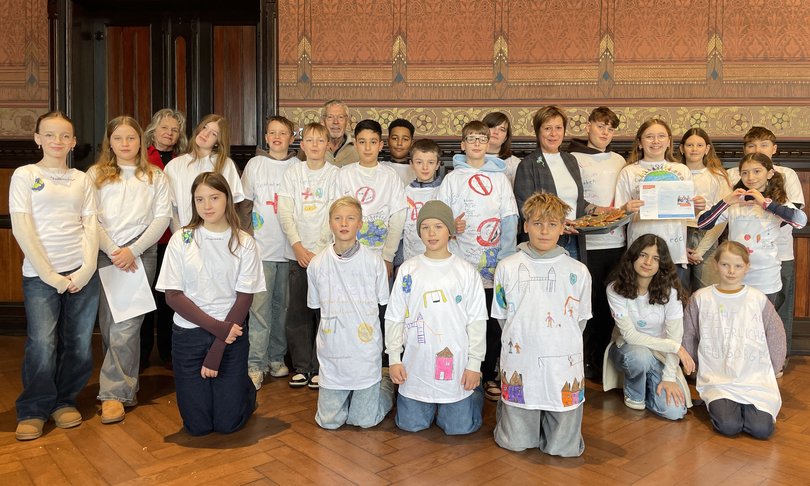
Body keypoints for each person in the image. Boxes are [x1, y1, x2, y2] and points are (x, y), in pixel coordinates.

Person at [10, 111, 99, 440]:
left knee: (78, 344)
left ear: (73, 142)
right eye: (50, 135)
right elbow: (22, 228)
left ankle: (64, 401)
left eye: (65, 136)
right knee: (43, 344)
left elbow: (90, 225)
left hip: (81, 274)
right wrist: (51, 275)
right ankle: (34, 408)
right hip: (40, 277)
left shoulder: (82, 179)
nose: (57, 141)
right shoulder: (25, 175)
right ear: (37, 138)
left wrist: (86, 269)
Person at [156, 172, 264, 436]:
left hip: (231, 336)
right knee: (198, 427)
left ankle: (244, 391)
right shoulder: (183, 239)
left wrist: (217, 349)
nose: (207, 205)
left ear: (227, 199)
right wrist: (218, 329)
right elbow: (173, 296)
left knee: (228, 425)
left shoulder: (244, 242)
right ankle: (231, 388)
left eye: (214, 197)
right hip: (189, 336)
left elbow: (245, 296)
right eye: (200, 199)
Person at [491, 193, 592, 456]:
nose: (544, 231)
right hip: (521, 358)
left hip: (563, 361)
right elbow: (503, 315)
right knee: (515, 443)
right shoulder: (508, 267)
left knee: (563, 448)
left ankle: (556, 430)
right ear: (525, 226)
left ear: (563, 227)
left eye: (552, 224)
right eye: (537, 223)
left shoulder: (578, 270)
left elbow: (580, 318)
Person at [88, 116, 171, 424]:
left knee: (128, 324)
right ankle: (126, 385)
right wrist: (112, 249)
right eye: (119, 138)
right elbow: (89, 218)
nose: (125, 144)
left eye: (131, 138)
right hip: (104, 252)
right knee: (110, 325)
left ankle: (114, 394)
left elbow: (162, 217)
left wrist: (132, 250)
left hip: (140, 254)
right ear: (109, 142)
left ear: (141, 141)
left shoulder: (155, 176)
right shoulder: (95, 175)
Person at [385, 200, 487, 435]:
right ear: (419, 231)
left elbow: (477, 320)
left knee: (460, 428)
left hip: (456, 366)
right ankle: (424, 404)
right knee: (410, 425)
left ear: (450, 230)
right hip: (416, 365)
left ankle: (474, 392)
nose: (431, 233)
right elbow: (394, 316)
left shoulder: (465, 271)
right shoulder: (409, 270)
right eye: (425, 227)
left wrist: (474, 365)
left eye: (439, 226)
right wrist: (394, 358)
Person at [438, 120, 518, 402]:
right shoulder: (452, 179)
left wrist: (505, 259)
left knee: (490, 322)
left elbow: (510, 218)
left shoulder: (499, 178)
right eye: (470, 139)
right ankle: (463, 367)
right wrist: (450, 229)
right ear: (462, 145)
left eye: (481, 139)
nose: (475, 144)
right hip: (459, 261)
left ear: (489, 143)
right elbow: (439, 217)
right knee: (461, 319)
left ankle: (489, 372)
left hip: (491, 264)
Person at [682, 241, 786, 439]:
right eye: (725, 265)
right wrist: (694, 364)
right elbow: (689, 333)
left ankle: (747, 408)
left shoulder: (757, 299)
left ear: (747, 267)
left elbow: (776, 334)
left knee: (761, 430)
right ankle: (724, 405)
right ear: (715, 265)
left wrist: (771, 369)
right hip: (719, 377)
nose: (731, 271)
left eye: (738, 266)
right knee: (729, 426)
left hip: (754, 378)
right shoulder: (701, 298)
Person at [307, 196, 394, 429]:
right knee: (329, 422)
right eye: (338, 218)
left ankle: (383, 384)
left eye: (350, 218)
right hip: (333, 353)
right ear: (330, 223)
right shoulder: (317, 264)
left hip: (364, 352)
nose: (344, 223)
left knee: (363, 420)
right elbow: (316, 308)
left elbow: (382, 304)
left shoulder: (374, 263)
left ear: (360, 224)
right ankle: (349, 397)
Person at [727, 127, 805, 364]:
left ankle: (777, 359)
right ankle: (743, 360)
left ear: (774, 149)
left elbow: (796, 212)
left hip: (778, 252)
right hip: (739, 257)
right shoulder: (733, 174)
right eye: (751, 146)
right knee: (740, 312)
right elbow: (725, 210)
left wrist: (764, 225)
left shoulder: (786, 173)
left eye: (763, 145)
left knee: (777, 308)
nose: (757, 150)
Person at [603, 234, 695, 420]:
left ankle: (651, 386)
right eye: (643, 255)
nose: (648, 262)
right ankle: (634, 392)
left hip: (660, 355)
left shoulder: (671, 292)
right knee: (640, 356)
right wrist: (676, 348)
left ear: (662, 263)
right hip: (628, 349)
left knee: (675, 412)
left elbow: (674, 336)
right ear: (633, 256)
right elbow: (630, 336)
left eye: (656, 258)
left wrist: (669, 378)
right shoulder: (615, 289)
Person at [697, 153, 806, 304]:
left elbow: (800, 222)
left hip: (766, 278)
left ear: (769, 174)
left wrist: (766, 204)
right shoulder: (735, 203)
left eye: (757, 171)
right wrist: (726, 201)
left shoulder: (777, 203)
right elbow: (702, 224)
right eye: (745, 173)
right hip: (734, 276)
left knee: (762, 324)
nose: (750, 177)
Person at [567, 106, 627, 380]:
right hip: (583, 243)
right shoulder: (571, 157)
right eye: (600, 126)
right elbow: (570, 197)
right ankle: (579, 360)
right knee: (583, 305)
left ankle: (601, 361)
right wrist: (594, 210)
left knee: (607, 306)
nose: (605, 132)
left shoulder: (619, 161)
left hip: (615, 241)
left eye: (610, 128)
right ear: (588, 125)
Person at [278, 122, 340, 389]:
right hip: (299, 255)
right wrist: (298, 246)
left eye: (320, 141)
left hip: (327, 256)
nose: (315, 146)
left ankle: (321, 366)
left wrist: (324, 252)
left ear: (329, 145)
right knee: (298, 314)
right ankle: (302, 367)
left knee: (325, 314)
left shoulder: (336, 175)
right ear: (302, 146)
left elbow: (338, 214)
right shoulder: (293, 173)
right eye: (310, 141)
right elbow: (285, 212)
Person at [241, 115, 298, 390]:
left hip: (289, 250)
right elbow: (243, 206)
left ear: (291, 138)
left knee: (283, 308)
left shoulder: (298, 167)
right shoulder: (255, 165)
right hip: (260, 249)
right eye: (272, 133)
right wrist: (246, 241)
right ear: (265, 138)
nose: (277, 137)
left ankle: (276, 358)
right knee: (259, 309)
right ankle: (256, 363)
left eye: (282, 133)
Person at [513, 105, 613, 261]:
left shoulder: (570, 160)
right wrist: (557, 223)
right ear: (538, 131)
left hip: (575, 238)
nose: (553, 134)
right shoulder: (528, 164)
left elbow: (576, 201)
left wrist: (599, 209)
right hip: (545, 241)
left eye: (558, 128)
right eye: (547, 128)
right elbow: (525, 208)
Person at [614, 119, 705, 287]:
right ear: (640, 143)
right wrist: (626, 209)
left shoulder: (682, 170)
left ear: (669, 142)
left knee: (676, 306)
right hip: (640, 254)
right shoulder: (629, 172)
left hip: (674, 251)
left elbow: (689, 211)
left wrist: (697, 208)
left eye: (661, 136)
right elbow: (618, 217)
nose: (656, 141)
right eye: (649, 136)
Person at [141, 108, 188, 369]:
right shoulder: (141, 157)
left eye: (174, 129)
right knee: (147, 298)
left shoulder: (184, 159)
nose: (169, 133)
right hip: (149, 239)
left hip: (176, 240)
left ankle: (169, 352)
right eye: (164, 128)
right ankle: (144, 352)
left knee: (171, 297)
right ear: (153, 130)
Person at [335, 119, 407, 279]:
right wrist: (339, 251)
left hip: (380, 255)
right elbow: (334, 215)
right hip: (347, 253)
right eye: (362, 142)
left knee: (379, 301)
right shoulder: (344, 174)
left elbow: (398, 217)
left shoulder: (390, 176)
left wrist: (388, 256)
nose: (367, 148)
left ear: (380, 145)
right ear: (355, 144)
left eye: (373, 142)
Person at [164, 114, 246, 232]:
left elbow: (230, 206)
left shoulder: (225, 164)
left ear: (218, 142)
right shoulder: (174, 166)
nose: (205, 134)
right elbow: (172, 209)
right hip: (185, 233)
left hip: (216, 234)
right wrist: (182, 237)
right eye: (205, 128)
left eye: (213, 134)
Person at [677, 128, 732, 291]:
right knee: (679, 290)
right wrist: (679, 247)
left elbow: (724, 215)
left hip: (707, 235)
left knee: (707, 289)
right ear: (681, 148)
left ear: (707, 149)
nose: (694, 149)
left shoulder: (718, 176)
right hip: (678, 233)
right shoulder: (674, 174)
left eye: (699, 145)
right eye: (689, 145)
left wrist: (701, 249)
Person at [402, 139, 443, 261]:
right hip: (410, 257)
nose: (425, 167)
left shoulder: (443, 191)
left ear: (437, 165)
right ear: (411, 164)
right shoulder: (405, 192)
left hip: (437, 257)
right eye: (419, 162)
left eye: (430, 162)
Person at [304, 99, 358, 168]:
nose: (335, 122)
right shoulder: (310, 147)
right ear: (323, 121)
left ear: (346, 121)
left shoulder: (357, 148)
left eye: (340, 117)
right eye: (330, 117)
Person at [483, 111, 521, 186]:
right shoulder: (471, 159)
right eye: (492, 127)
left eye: (502, 129)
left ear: (505, 138)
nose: (496, 132)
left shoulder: (515, 163)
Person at [382, 118, 416, 185]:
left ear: (412, 143)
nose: (399, 143)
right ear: (388, 141)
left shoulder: (418, 170)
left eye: (405, 139)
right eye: (395, 138)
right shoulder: (379, 167)